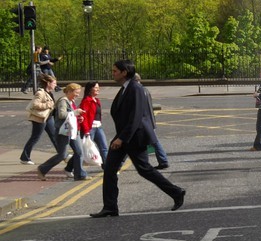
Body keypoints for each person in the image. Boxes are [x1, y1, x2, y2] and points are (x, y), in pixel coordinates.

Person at [92, 59, 186, 217]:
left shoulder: (135, 88)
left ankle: (176, 192)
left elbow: (136, 116)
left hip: (134, 137)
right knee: (109, 169)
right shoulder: (125, 88)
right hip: (124, 136)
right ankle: (110, 207)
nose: (112, 73)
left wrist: (122, 138)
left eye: (115, 71)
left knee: (144, 169)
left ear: (124, 72)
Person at [38, 83, 88, 181]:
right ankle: (42, 169)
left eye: (79, 93)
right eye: (76, 93)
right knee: (62, 155)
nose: (78, 95)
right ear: (69, 91)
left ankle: (79, 175)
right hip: (64, 131)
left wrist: (79, 118)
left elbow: (71, 116)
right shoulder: (63, 101)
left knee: (79, 152)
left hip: (73, 130)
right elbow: (62, 115)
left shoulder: (71, 101)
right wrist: (75, 112)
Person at [20, 74, 59, 164]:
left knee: (54, 136)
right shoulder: (40, 93)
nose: (55, 85)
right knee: (35, 137)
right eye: (54, 83)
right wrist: (48, 105)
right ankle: (25, 158)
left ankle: (62, 154)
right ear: (48, 83)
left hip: (48, 117)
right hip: (40, 118)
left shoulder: (49, 93)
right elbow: (35, 104)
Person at [79, 80, 109, 166]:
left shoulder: (97, 100)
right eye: (96, 87)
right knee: (84, 149)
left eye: (98, 87)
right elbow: (84, 117)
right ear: (90, 89)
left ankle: (107, 168)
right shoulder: (86, 101)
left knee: (104, 148)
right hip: (90, 128)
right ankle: (71, 167)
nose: (98, 89)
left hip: (98, 127)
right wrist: (86, 130)